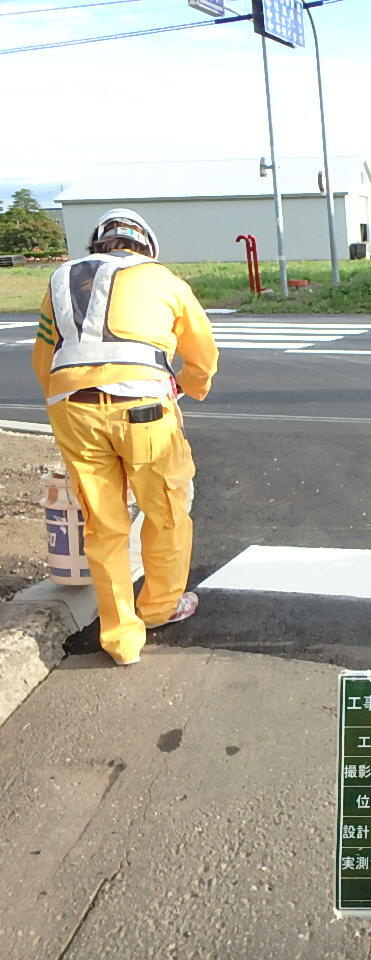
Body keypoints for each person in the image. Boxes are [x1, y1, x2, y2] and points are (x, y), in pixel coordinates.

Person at [32, 208, 219, 664]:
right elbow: (203, 353)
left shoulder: (60, 279)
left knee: (103, 524)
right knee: (167, 509)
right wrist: (190, 387)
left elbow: (44, 356)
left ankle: (120, 640)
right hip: (144, 409)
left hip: (71, 406)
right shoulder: (164, 280)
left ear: (98, 245)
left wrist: (66, 404)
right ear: (146, 247)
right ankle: (158, 608)